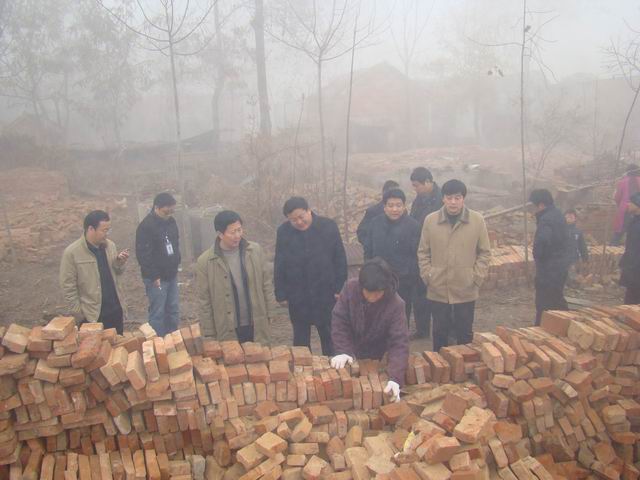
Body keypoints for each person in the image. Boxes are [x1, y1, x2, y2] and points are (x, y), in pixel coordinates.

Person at [418, 179, 491, 352]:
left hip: (465, 286)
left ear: (463, 198)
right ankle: (439, 365)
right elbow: (423, 252)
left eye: (457, 198)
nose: (453, 202)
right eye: (449, 198)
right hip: (438, 285)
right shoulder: (431, 220)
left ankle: (464, 364)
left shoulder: (477, 220)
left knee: (464, 332)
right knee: (439, 331)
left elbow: (484, 252)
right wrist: (428, 275)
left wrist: (476, 277)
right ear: (443, 198)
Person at [274, 197, 348, 355]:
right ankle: (303, 366)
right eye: (293, 220)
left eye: (301, 217)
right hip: (298, 293)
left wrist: (339, 287)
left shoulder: (328, 226)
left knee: (329, 335)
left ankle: (333, 364)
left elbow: (340, 258)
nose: (299, 222)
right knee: (300, 338)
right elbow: (279, 263)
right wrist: (280, 292)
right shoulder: (284, 232)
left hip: (325, 291)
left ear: (309, 210)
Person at [330, 258, 409, 403]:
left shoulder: (396, 305)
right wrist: (343, 350)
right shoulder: (350, 289)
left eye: (377, 293)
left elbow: (399, 343)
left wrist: (395, 378)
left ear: (385, 288)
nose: (372, 298)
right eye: (368, 293)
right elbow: (340, 320)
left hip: (376, 355)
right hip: (349, 351)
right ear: (361, 286)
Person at [196, 210, 277, 344]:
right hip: (227, 326)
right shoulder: (206, 261)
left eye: (239, 230)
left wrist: (271, 311)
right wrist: (209, 331)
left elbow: (266, 284)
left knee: (259, 355)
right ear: (220, 234)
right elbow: (205, 300)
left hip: (256, 322)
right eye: (232, 232)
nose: (237, 235)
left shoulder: (255, 251)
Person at [60, 210, 129, 333]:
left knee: (117, 344)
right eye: (104, 230)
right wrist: (80, 315)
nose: (107, 234)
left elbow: (117, 273)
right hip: (93, 316)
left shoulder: (110, 246)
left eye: (109, 230)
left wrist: (119, 263)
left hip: (115, 311)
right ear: (91, 229)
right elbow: (68, 287)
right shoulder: (72, 253)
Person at [364, 188, 420, 325]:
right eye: (391, 205)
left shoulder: (413, 226)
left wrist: (411, 274)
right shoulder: (375, 223)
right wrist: (369, 272)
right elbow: (368, 249)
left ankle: (401, 338)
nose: (395, 209)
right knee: (378, 315)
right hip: (378, 279)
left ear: (404, 206)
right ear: (384, 207)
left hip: (403, 280)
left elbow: (416, 254)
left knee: (401, 316)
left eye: (398, 205)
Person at [135, 192, 181, 336]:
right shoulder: (146, 226)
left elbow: (175, 243)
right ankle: (158, 341)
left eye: (172, 211)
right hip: (157, 278)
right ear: (157, 207)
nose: (169, 214)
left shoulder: (171, 222)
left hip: (171, 273)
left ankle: (173, 338)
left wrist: (176, 262)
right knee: (158, 311)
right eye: (166, 211)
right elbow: (143, 255)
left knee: (173, 308)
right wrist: (153, 275)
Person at [529, 189, 572, 326]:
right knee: (556, 297)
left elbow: (542, 241)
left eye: (534, 206)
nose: (534, 209)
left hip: (549, 268)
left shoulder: (546, 219)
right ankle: (564, 325)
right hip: (560, 265)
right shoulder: (558, 214)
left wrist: (538, 256)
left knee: (544, 302)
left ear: (541, 204)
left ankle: (541, 329)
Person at [409, 167, 443, 339]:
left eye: (417, 185)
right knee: (419, 293)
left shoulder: (442, 199)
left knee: (440, 294)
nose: (415, 189)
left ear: (428, 182)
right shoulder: (419, 199)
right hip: (420, 251)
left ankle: (446, 330)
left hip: (438, 253)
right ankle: (422, 330)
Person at [356, 180, 400, 258]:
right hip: (377, 259)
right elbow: (361, 232)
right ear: (384, 193)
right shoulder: (373, 212)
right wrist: (372, 246)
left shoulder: (402, 212)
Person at [620, 193, 640, 304]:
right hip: (632, 267)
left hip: (636, 269)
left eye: (630, 202)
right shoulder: (634, 221)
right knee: (630, 298)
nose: (628, 204)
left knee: (634, 300)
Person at [613, 164, 640, 245]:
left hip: (625, 209)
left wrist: (620, 205)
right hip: (638, 210)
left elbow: (617, 197)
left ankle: (613, 246)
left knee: (619, 231)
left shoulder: (622, 182)